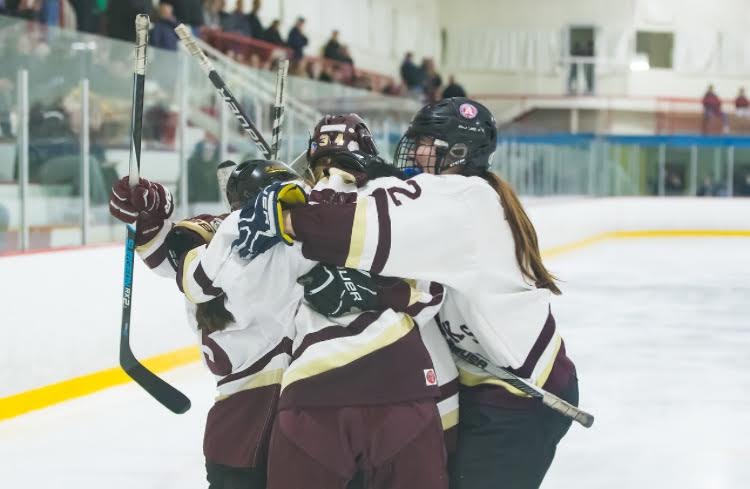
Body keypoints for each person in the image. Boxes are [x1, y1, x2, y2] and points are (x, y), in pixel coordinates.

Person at [236, 98, 580, 489]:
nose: (414, 151)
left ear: (459, 151)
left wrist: (287, 209)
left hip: (521, 398)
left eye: (426, 143)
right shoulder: (467, 194)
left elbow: (338, 230)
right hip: (493, 387)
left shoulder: (461, 201)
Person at [236, 114, 453, 489]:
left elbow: (434, 286)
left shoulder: (294, 208)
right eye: (324, 166)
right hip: (390, 387)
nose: (332, 174)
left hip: (332, 393)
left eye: (341, 164)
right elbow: (431, 289)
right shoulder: (387, 202)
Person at [108, 160, 315, 489]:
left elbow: (174, 250)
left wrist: (152, 217)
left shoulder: (214, 257)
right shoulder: (269, 264)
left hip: (232, 435)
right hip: (270, 437)